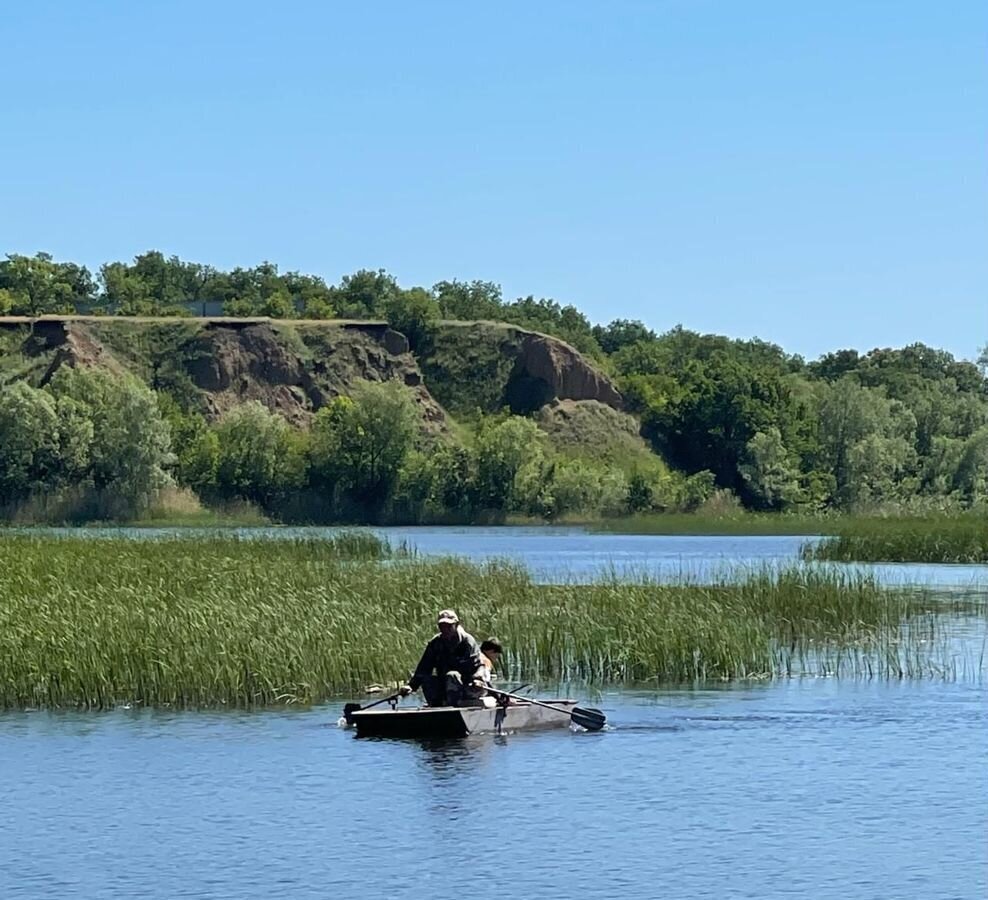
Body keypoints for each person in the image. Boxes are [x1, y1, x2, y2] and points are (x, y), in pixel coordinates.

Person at [399, 610, 487, 707]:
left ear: (456, 624)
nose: (445, 629)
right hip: (445, 688)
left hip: (470, 687)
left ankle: (454, 709)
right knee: (427, 679)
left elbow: (480, 666)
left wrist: (478, 679)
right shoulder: (435, 643)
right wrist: (411, 686)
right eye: (442, 626)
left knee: (452, 675)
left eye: (449, 626)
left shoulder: (467, 641)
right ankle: (437, 707)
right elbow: (423, 668)